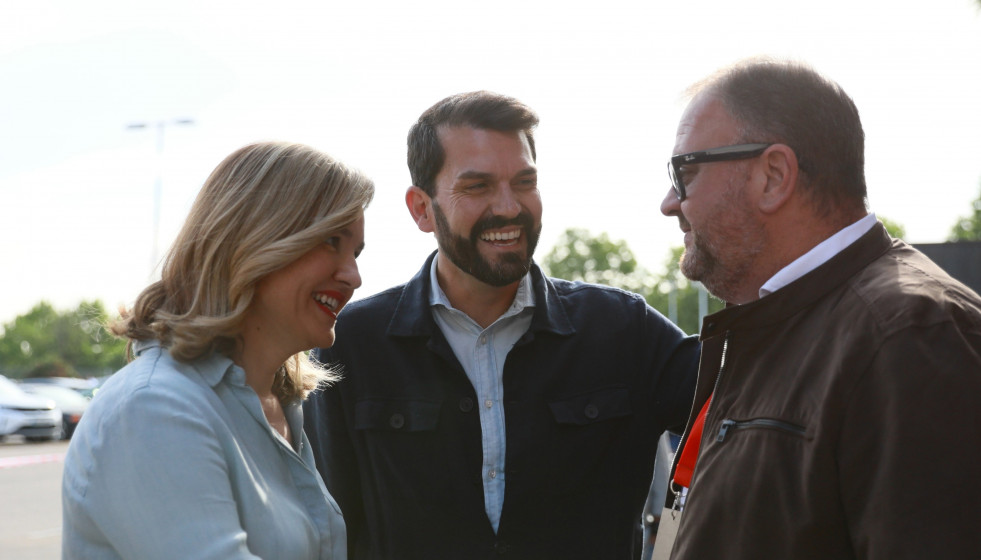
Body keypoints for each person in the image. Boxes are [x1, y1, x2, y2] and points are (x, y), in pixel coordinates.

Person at [302, 91, 700, 559]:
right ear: (421, 209)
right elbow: (330, 527)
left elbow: (750, 405)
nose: (509, 207)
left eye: (524, 182)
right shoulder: (351, 344)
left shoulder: (624, 330)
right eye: (478, 186)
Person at [657, 57, 981, 559]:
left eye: (686, 171)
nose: (669, 202)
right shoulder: (785, 322)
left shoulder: (911, 334)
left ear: (774, 175)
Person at [62, 141, 374, 559]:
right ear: (253, 239)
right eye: (331, 240)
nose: (353, 276)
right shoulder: (154, 409)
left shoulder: (279, 406)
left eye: (355, 252)